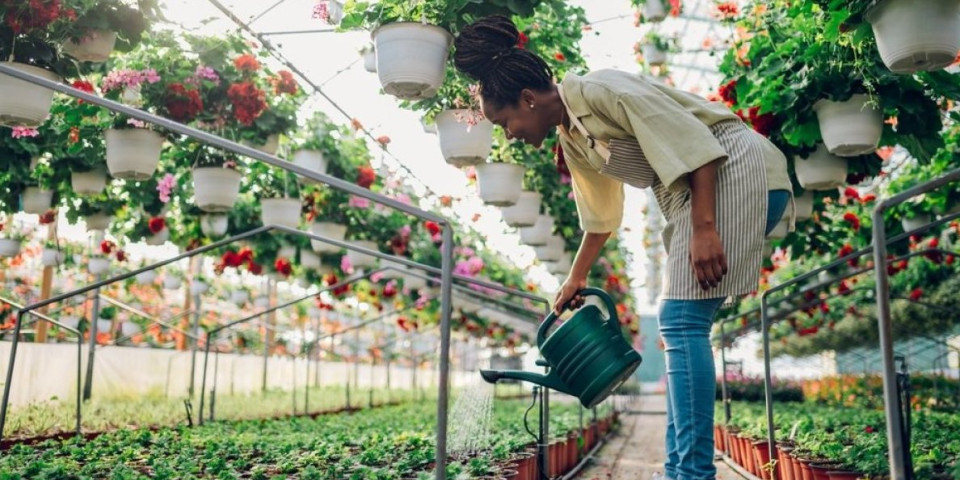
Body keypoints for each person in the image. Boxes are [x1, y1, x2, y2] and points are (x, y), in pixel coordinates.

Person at [453, 15, 793, 480]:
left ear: (528, 99)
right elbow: (601, 218)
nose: (507, 133)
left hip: (732, 171)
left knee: (682, 321)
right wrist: (575, 277)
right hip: (695, 196)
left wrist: (705, 227)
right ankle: (681, 469)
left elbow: (697, 143)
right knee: (682, 326)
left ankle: (691, 474)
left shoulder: (601, 90)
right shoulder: (573, 138)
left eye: (504, 120)